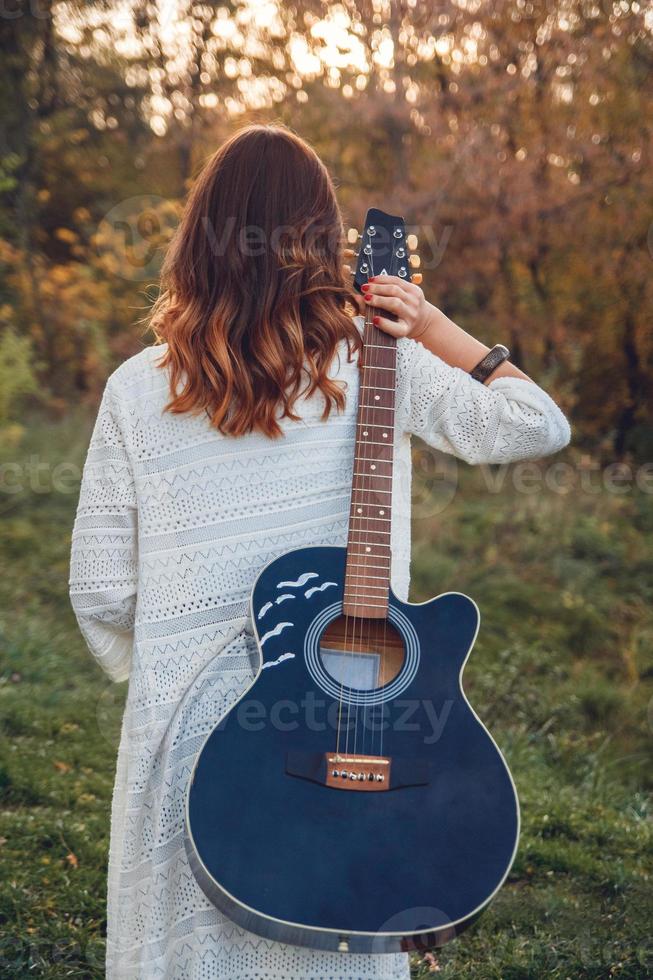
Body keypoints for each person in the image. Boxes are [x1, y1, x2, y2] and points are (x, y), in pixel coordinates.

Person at [69, 124, 570, 980]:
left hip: (188, 736)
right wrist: (437, 327)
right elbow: (538, 426)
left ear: (196, 238)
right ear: (317, 240)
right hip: (356, 727)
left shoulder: (134, 388)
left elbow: (103, 592)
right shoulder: (378, 362)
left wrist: (168, 662)